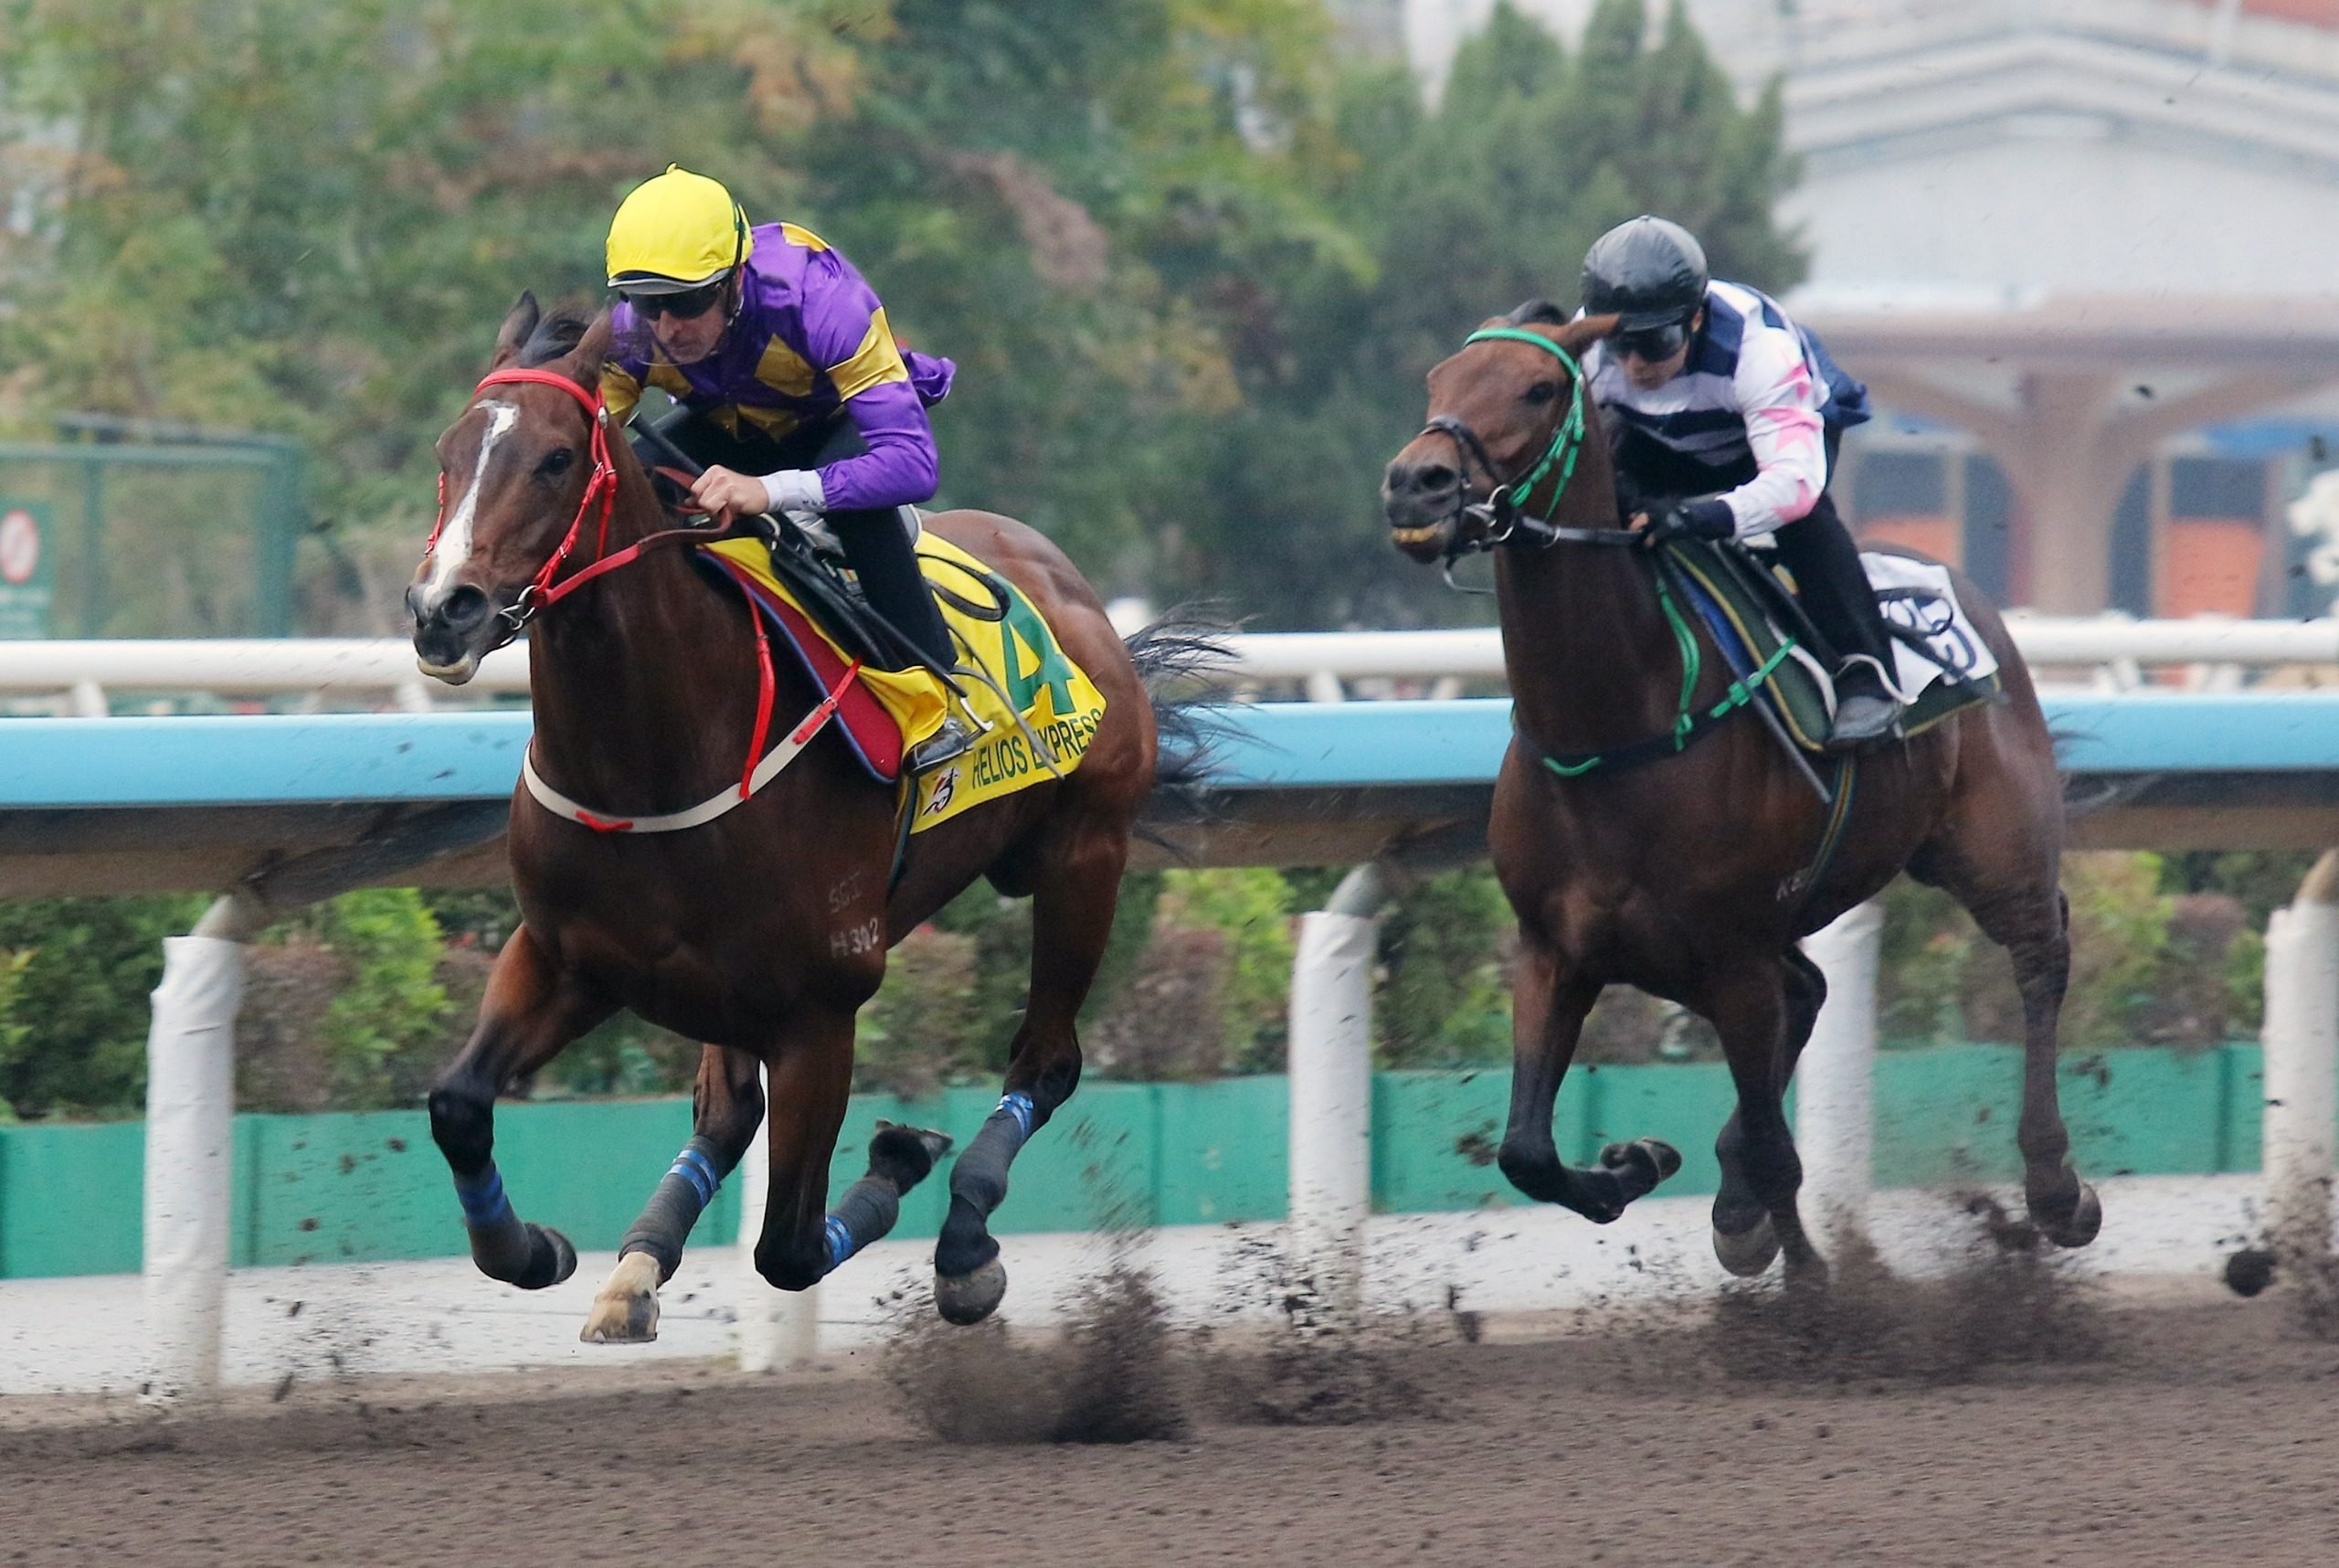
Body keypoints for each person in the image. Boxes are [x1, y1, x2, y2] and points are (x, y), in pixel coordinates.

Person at [599, 164, 972, 768]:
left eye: (687, 302)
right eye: (645, 304)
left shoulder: (822, 301)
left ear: (734, 279)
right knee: (635, 488)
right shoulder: (634, 336)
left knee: (863, 506)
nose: (666, 328)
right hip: (733, 427)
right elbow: (586, 452)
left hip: (836, 429)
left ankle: (931, 693)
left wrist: (771, 492)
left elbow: (912, 464)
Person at [1579, 215, 1904, 749]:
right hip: (1660, 440)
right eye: (1621, 345)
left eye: (1656, 342)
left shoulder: (1762, 352)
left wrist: (1696, 517)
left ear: (1697, 320)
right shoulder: (1589, 348)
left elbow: (1792, 485)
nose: (1636, 365)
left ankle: (1865, 675)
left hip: (1773, 447)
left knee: (1806, 521)